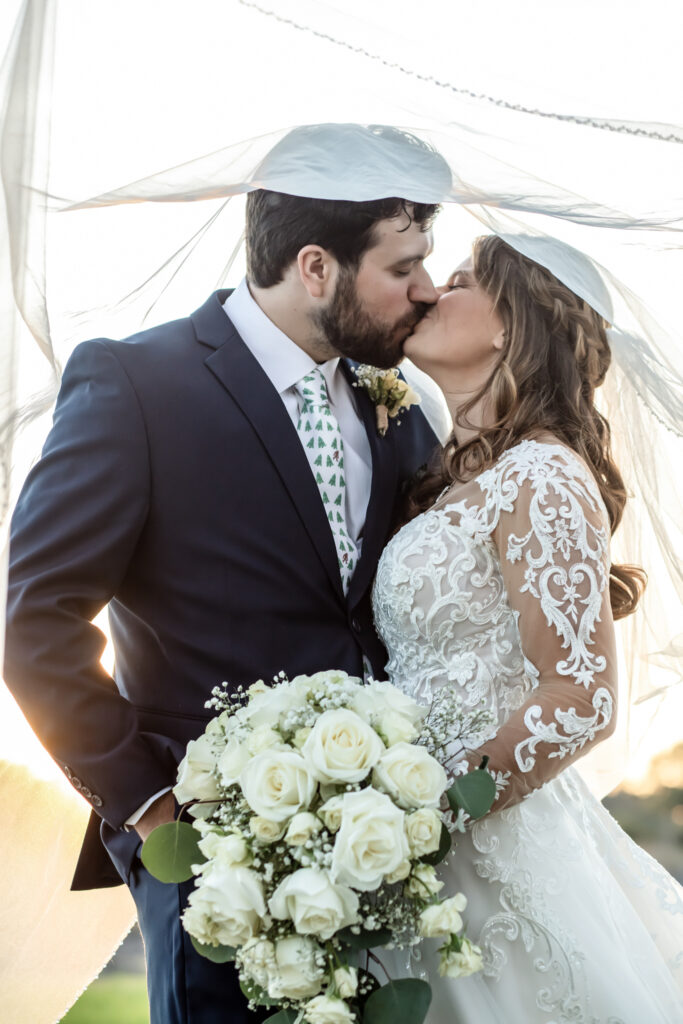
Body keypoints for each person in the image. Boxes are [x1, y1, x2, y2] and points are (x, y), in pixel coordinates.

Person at [2, 128, 445, 1022]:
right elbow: (35, 622)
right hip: (212, 864)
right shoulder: (135, 383)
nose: (427, 291)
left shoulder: (393, 405)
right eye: (404, 268)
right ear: (316, 267)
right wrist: (152, 812)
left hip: (383, 854)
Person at [372, 234, 683, 1021]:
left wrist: (435, 813)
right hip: (417, 849)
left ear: (510, 324)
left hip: (482, 838)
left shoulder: (541, 474)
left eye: (459, 281)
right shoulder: (460, 480)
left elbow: (580, 696)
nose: (428, 294)